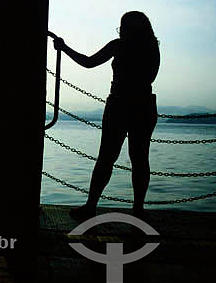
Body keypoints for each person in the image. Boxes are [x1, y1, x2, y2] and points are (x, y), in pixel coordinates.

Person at [53, 11, 160, 220]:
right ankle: (138, 209)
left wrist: (64, 48)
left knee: (106, 158)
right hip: (144, 104)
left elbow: (88, 62)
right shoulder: (151, 46)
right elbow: (151, 76)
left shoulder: (118, 45)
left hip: (119, 104)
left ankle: (91, 206)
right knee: (140, 159)